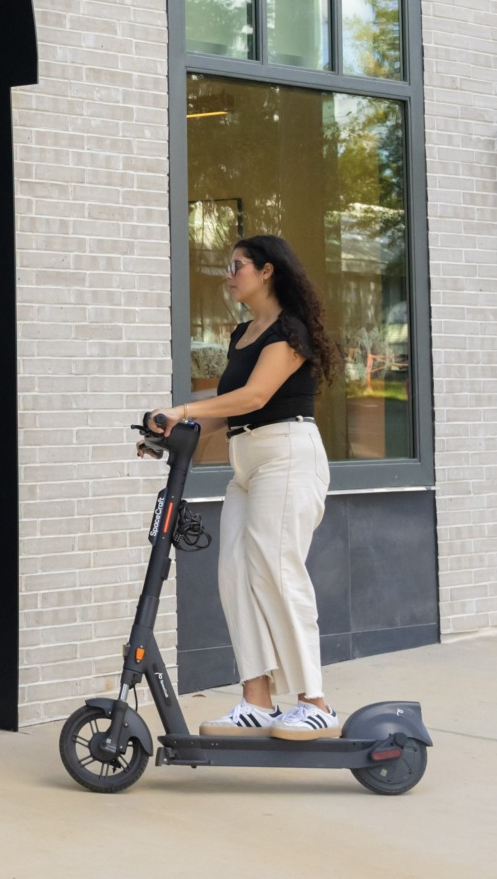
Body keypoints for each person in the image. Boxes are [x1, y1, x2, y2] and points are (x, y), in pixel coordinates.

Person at [149, 235, 342, 740]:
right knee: (235, 573)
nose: (228, 275)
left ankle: (314, 700)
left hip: (288, 456)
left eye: (236, 266)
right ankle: (257, 699)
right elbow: (230, 410)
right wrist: (170, 433)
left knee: (278, 571)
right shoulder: (242, 332)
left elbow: (256, 395)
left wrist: (184, 409)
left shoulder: (289, 332)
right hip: (248, 464)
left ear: (267, 271)